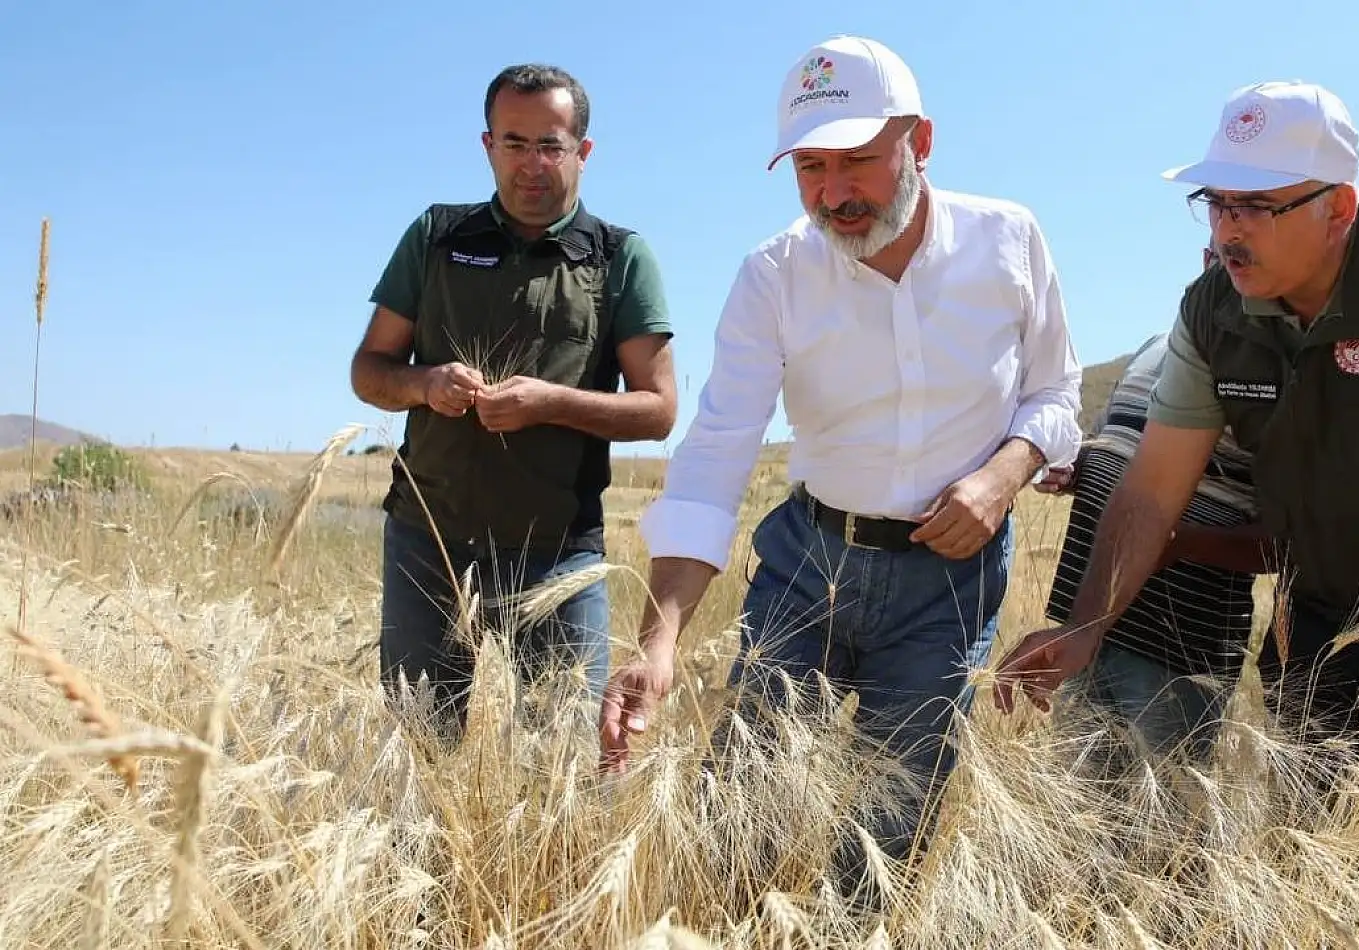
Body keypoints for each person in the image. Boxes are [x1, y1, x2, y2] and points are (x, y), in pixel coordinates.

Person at [597, 34, 1082, 903]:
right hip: (806, 567)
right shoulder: (773, 275)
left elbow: (1055, 395)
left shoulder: (1009, 241)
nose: (833, 193)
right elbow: (715, 450)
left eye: (857, 161)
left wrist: (1004, 476)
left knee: (886, 838)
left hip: (951, 585)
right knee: (739, 817)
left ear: (920, 143)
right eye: (810, 167)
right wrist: (659, 639)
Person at [995, 80, 1359, 749]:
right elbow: (1151, 492)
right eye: (1216, 202)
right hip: (1334, 589)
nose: (1228, 228)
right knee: (1321, 813)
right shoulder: (1212, 310)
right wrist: (1084, 625)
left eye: (1256, 205)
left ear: (1339, 209)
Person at [350, 63, 679, 734]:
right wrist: (424, 383)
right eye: (514, 143)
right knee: (417, 755)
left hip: (558, 551)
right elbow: (367, 369)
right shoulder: (437, 236)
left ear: (582, 152)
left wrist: (551, 403)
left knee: (563, 765)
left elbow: (659, 408)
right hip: (428, 541)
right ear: (488, 145)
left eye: (550, 145)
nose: (532, 164)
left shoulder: (621, 258)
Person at [1034, 244, 1271, 766]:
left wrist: (1178, 543)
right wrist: (1079, 471)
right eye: (1216, 256)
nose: (1224, 270)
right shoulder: (1152, 348)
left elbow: (1284, 542)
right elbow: (1120, 453)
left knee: (1161, 820)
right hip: (1082, 622)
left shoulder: (1271, 375)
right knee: (1079, 817)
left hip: (1176, 642)